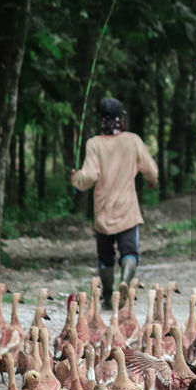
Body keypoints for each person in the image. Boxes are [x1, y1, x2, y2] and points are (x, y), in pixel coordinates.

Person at [70, 97, 158, 309]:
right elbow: (151, 170)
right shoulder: (133, 141)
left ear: (101, 119)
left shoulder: (94, 144)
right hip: (127, 208)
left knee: (105, 257)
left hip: (103, 211)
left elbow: (88, 177)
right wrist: (151, 181)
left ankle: (108, 297)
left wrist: (76, 178)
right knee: (129, 252)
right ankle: (126, 281)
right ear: (121, 119)